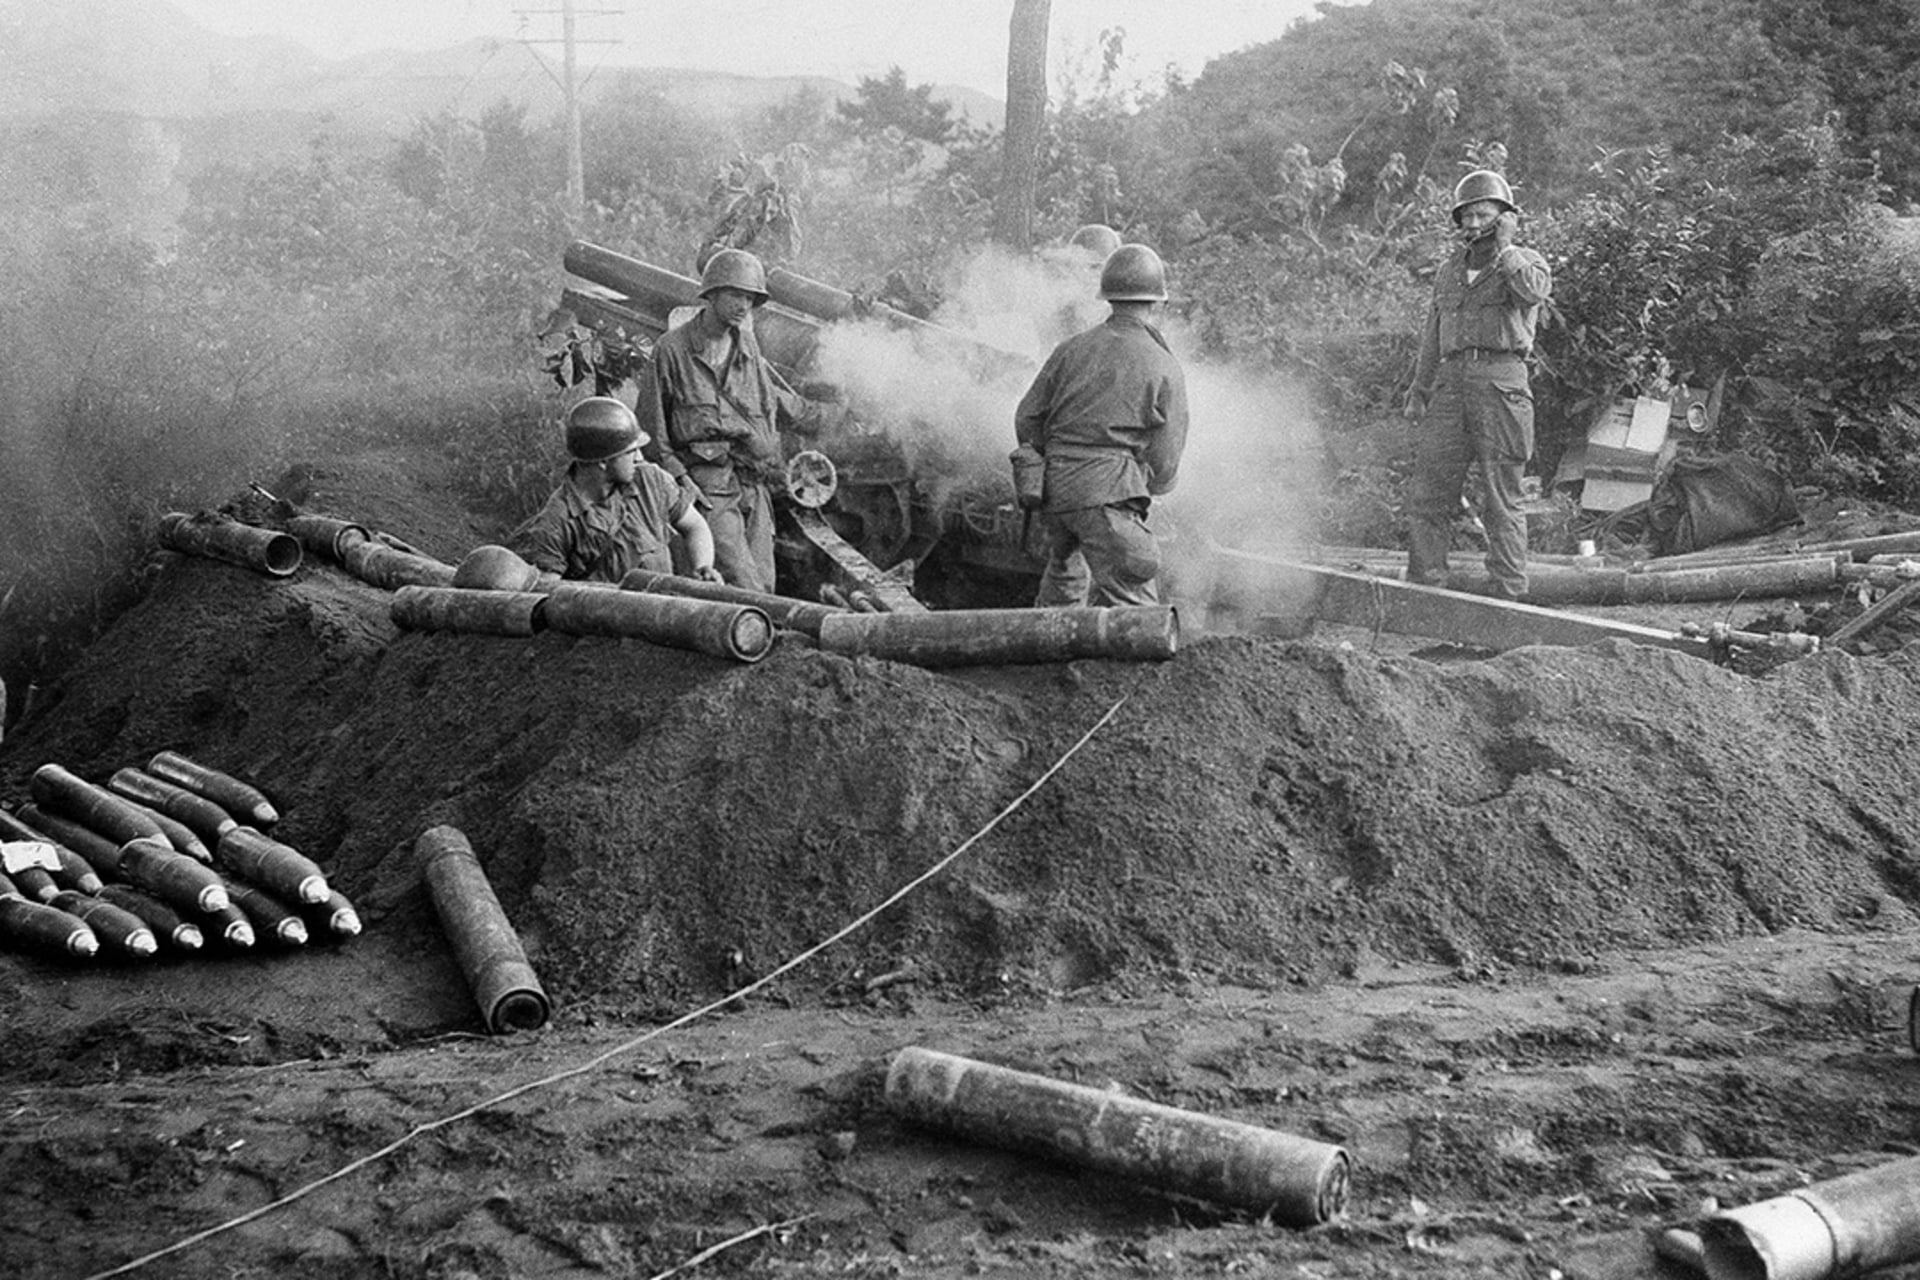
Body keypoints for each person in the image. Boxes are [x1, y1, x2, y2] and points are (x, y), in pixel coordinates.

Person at [637, 247, 825, 594]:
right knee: (740, 582)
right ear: (711, 294)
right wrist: (680, 480)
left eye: (750, 299)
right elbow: (652, 430)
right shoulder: (672, 350)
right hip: (707, 481)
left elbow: (767, 406)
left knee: (765, 582)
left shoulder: (748, 345)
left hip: (753, 481)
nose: (743, 306)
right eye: (735, 295)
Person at [1404, 168, 1553, 600]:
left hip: (1501, 383)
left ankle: (1507, 595)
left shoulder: (1526, 261)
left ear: (1504, 217)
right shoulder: (1450, 271)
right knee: (1429, 493)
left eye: (1483, 215)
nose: (1473, 224)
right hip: (1450, 387)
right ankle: (1424, 591)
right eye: (1466, 216)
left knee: (1502, 497)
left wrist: (1506, 247)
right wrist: (1419, 389)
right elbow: (1433, 336)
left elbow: (1533, 293)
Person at [1013, 243, 1190, 607]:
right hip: (1109, 492)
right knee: (1133, 600)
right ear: (1156, 302)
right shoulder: (1163, 364)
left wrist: (1056, 462)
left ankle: (1052, 639)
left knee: (1063, 585)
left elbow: (1027, 417)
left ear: (1107, 296)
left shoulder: (1070, 348)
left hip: (1056, 495)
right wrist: (1153, 484)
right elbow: (1167, 451)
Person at [511, 396, 722, 584]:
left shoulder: (651, 481)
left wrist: (703, 567)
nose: (638, 458)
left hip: (663, 609)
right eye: (630, 452)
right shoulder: (555, 523)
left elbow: (695, 526)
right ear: (603, 461)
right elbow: (549, 595)